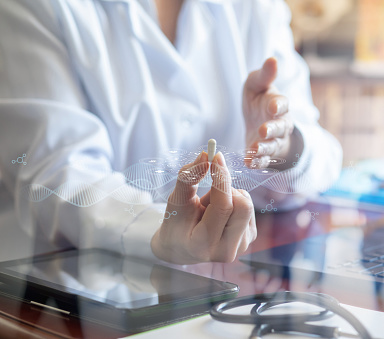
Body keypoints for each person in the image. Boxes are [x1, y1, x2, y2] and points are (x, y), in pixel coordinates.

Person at [0, 0, 342, 264]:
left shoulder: (255, 7)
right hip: (70, 299)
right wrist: (156, 230)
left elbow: (324, 157)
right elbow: (57, 175)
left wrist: (283, 148)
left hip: (228, 286)